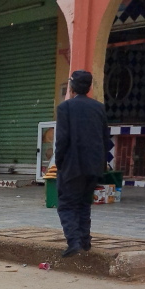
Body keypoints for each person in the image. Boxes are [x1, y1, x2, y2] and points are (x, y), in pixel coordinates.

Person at [55, 70, 111, 257]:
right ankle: (85, 241)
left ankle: (74, 242)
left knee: (67, 204)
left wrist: (59, 162)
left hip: (73, 165)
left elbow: (62, 139)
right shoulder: (99, 108)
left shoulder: (65, 108)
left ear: (71, 86)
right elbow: (105, 138)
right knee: (84, 204)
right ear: (89, 87)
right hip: (94, 165)